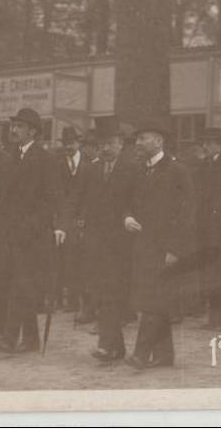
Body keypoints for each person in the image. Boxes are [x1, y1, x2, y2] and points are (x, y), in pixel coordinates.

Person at [0, 108, 63, 354]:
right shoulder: (8, 158)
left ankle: (10, 338)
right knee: (10, 285)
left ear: (32, 131)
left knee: (21, 286)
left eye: (19, 126)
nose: (13, 130)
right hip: (7, 234)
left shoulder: (46, 159)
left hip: (32, 236)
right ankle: (30, 339)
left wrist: (31, 225)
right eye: (13, 126)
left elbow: (51, 200)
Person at [123, 118, 196, 369]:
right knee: (156, 299)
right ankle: (165, 356)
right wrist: (128, 217)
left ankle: (141, 354)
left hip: (165, 248)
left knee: (153, 299)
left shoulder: (178, 171)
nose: (138, 143)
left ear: (159, 141)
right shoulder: (140, 170)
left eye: (144, 138)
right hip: (143, 246)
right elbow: (129, 202)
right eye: (138, 139)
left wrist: (175, 249)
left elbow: (187, 214)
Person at [80, 123, 138, 362]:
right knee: (103, 293)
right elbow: (79, 199)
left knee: (112, 294)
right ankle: (113, 347)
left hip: (123, 244)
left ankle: (108, 345)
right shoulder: (92, 170)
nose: (104, 148)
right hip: (97, 243)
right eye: (101, 144)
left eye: (109, 144)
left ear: (120, 145)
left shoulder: (132, 169)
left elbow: (137, 203)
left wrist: (128, 218)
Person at [192, 127, 221, 332]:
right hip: (206, 227)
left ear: (219, 145)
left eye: (211, 143)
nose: (207, 146)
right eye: (206, 143)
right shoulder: (204, 166)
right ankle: (214, 318)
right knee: (210, 273)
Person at [55, 126, 98, 321]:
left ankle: (82, 302)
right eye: (65, 144)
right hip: (63, 218)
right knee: (65, 259)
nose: (68, 147)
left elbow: (90, 195)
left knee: (82, 261)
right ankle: (68, 300)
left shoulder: (89, 165)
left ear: (78, 144)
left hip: (83, 219)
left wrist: (84, 217)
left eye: (71, 143)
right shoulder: (58, 164)